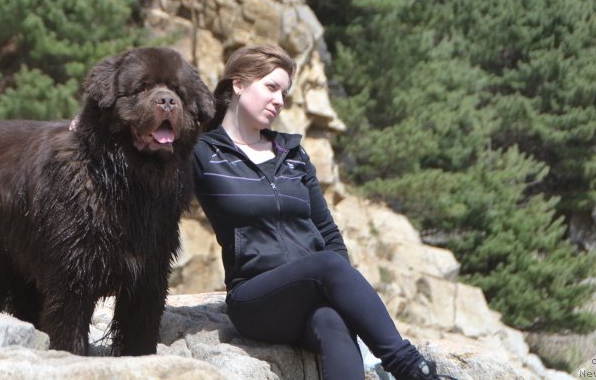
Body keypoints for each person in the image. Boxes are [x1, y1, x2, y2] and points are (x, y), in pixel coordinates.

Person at [192, 44, 457, 380]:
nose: (279, 101)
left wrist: (342, 298)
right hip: (256, 300)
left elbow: (328, 232)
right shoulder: (203, 154)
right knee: (328, 264)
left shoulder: (291, 154)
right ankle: (410, 368)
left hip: (310, 297)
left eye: (284, 93)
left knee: (332, 321)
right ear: (239, 85)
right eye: (271, 87)